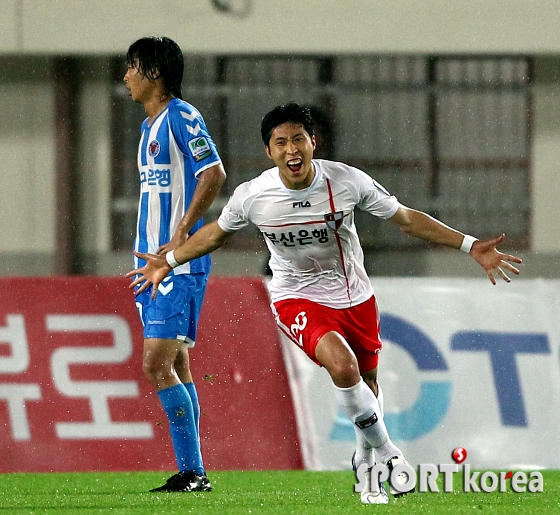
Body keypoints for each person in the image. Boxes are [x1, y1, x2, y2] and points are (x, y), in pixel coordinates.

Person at [126, 102, 522, 503]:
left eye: (298, 139)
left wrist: (470, 246)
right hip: (295, 297)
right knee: (343, 366)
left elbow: (405, 218)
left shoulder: (347, 181)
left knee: (367, 384)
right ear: (269, 151)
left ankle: (367, 466)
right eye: (280, 143)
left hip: (355, 295)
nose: (291, 150)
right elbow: (214, 234)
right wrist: (170, 261)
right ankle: (388, 453)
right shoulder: (254, 195)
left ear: (313, 142)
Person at [123, 36, 226, 493]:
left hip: (176, 265)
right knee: (178, 363)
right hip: (151, 265)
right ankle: (194, 471)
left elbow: (214, 172)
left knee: (156, 362)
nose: (125, 76)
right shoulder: (149, 127)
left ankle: (193, 471)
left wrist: (181, 233)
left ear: (154, 73)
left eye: (132, 67)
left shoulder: (183, 116)